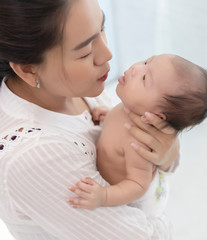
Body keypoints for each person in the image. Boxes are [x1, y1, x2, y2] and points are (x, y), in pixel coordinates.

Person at [0, 0, 180, 239]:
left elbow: (156, 151)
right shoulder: (36, 156)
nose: (107, 53)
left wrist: (169, 153)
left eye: (102, 27)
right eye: (85, 52)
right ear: (29, 70)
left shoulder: (71, 85)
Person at [66, 54, 207, 217]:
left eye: (145, 78)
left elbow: (138, 185)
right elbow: (119, 124)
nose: (135, 68)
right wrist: (109, 115)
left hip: (142, 203)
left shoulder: (138, 143)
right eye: (146, 62)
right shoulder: (131, 107)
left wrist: (104, 196)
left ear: (155, 116)